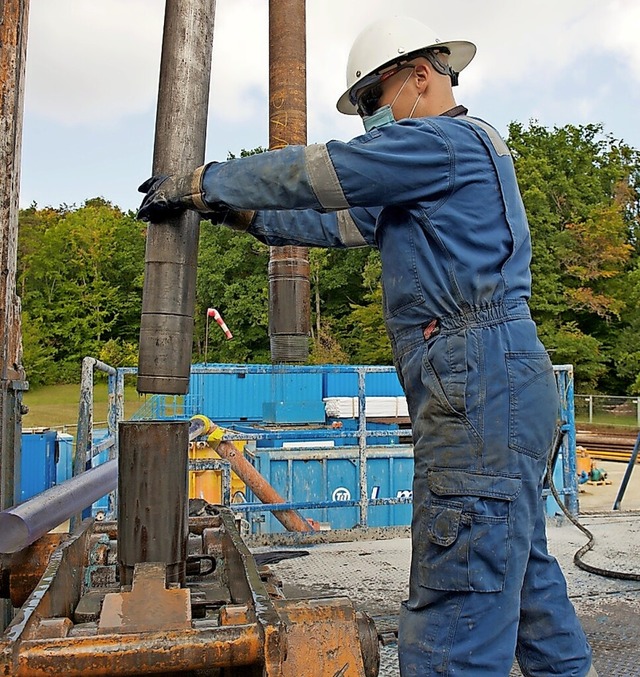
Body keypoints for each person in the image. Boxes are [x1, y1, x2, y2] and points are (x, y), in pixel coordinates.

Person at [137, 15, 596, 677]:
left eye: (373, 101)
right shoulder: (440, 170)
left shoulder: (441, 143)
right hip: (500, 381)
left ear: (420, 75)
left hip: (479, 383)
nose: (370, 121)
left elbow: (322, 172)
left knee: (458, 599)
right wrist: (239, 213)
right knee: (519, 576)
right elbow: (330, 221)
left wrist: (209, 180)